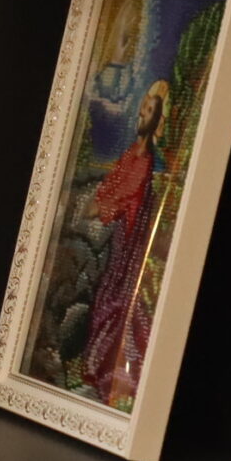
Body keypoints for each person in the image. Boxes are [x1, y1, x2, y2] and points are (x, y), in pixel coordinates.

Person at [80, 78, 174, 406]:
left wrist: (99, 207)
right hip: (118, 241)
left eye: (149, 110)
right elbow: (111, 185)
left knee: (119, 304)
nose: (141, 113)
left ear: (156, 119)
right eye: (143, 107)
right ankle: (97, 368)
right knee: (105, 297)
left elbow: (124, 195)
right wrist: (96, 202)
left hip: (130, 245)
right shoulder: (129, 155)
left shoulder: (146, 162)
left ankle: (116, 377)